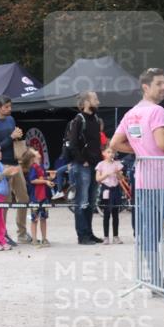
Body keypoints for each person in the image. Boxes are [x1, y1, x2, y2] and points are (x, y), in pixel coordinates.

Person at [109, 68, 164, 293]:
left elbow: (115, 144)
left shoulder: (131, 113)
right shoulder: (157, 111)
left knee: (149, 235)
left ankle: (156, 282)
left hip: (144, 182)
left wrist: (138, 151)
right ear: (146, 87)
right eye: (159, 84)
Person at [0, 96, 31, 244]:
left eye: (10, 106)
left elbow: (13, 139)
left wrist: (17, 136)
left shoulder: (11, 120)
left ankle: (22, 233)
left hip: (15, 163)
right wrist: (11, 137)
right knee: (5, 201)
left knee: (24, 198)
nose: (9, 109)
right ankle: (2, 233)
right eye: (6, 107)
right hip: (1, 165)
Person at [66, 91, 104, 245]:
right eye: (95, 99)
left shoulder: (95, 119)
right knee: (82, 200)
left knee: (91, 200)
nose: (98, 101)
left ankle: (89, 232)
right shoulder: (78, 120)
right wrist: (83, 161)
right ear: (87, 102)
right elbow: (72, 143)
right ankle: (82, 235)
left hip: (94, 165)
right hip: (83, 166)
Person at [23, 148, 54, 247]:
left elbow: (42, 179)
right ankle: (35, 239)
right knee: (34, 219)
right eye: (35, 152)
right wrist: (46, 182)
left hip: (44, 196)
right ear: (33, 158)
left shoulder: (41, 167)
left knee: (43, 218)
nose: (38, 152)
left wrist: (49, 179)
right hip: (35, 197)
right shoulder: (33, 167)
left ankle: (44, 238)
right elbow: (32, 180)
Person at [95, 146, 124, 244]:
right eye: (108, 152)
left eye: (112, 152)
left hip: (115, 189)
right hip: (106, 189)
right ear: (104, 153)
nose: (111, 154)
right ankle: (106, 236)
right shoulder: (101, 164)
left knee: (116, 214)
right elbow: (97, 179)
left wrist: (118, 173)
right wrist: (106, 175)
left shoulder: (117, 164)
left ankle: (116, 236)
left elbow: (121, 178)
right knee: (106, 213)